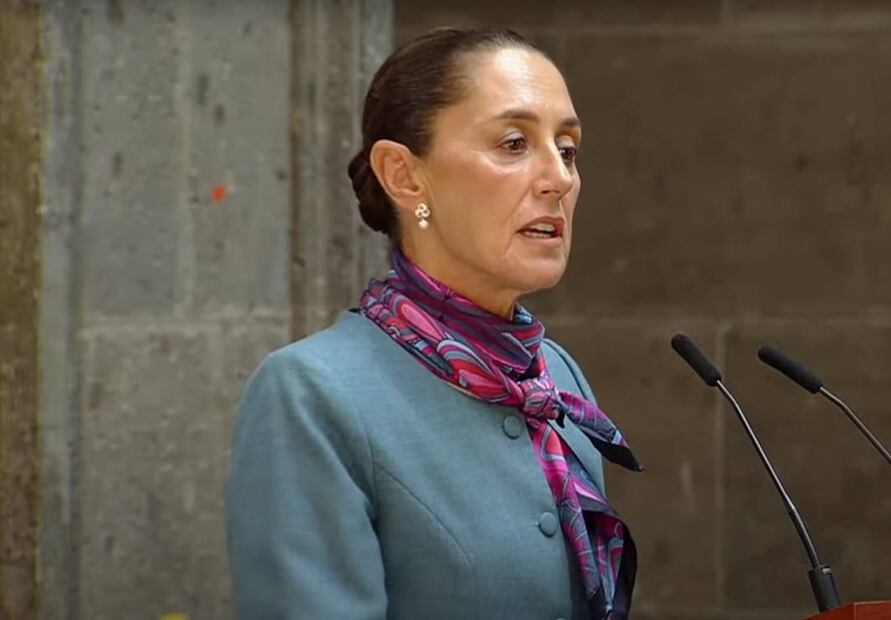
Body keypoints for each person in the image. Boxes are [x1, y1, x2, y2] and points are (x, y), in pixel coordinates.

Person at [225, 26, 642, 620]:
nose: (560, 179)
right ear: (403, 174)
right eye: (514, 143)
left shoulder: (556, 376)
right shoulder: (312, 394)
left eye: (568, 149)